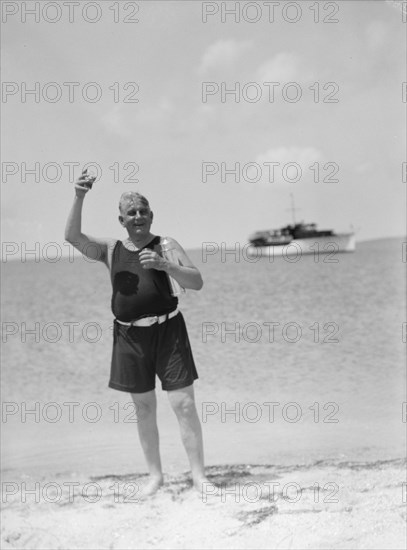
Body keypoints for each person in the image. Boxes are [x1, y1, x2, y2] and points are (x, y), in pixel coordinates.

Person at [65, 169, 208, 496]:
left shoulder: (166, 244)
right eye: (132, 213)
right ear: (122, 220)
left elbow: (196, 282)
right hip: (129, 337)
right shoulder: (112, 249)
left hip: (169, 330)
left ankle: (199, 477)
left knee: (183, 404)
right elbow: (73, 238)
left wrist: (165, 265)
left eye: (143, 211)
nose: (138, 216)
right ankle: (155, 477)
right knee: (143, 408)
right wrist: (79, 195)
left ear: (152, 215)